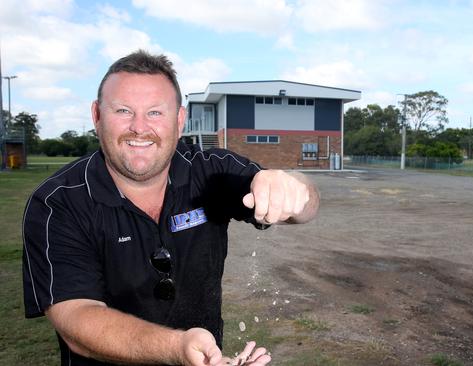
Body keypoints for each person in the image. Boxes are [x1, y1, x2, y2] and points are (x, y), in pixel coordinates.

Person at [22, 50, 319, 366]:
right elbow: (75, 318)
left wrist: (292, 185)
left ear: (179, 120)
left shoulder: (210, 170)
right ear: (97, 115)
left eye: (155, 113)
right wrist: (177, 348)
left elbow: (306, 208)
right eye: (123, 110)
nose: (139, 128)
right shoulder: (58, 202)